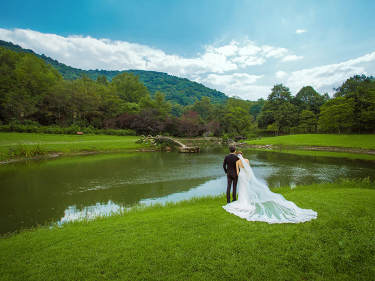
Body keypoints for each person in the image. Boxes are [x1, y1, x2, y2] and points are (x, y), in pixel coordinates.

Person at [223, 151, 318, 224]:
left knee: (242, 189)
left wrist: (239, 176)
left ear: (238, 156)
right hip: (246, 176)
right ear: (243, 155)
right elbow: (249, 170)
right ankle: (245, 201)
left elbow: (238, 172)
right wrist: (248, 177)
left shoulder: (237, 162)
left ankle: (242, 201)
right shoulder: (247, 160)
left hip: (241, 176)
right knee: (246, 189)